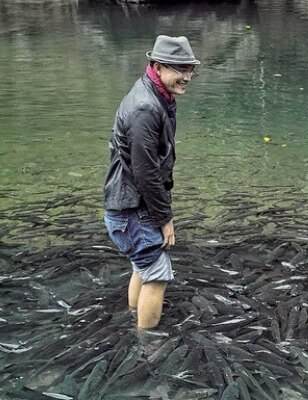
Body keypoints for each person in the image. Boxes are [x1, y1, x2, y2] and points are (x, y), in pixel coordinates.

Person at [103, 35, 200, 331]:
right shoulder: (146, 107)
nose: (186, 77)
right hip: (131, 208)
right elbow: (145, 173)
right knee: (157, 273)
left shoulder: (158, 95)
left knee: (142, 265)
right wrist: (165, 218)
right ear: (157, 67)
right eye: (179, 69)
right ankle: (146, 343)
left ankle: (132, 318)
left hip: (128, 204)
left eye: (190, 69)